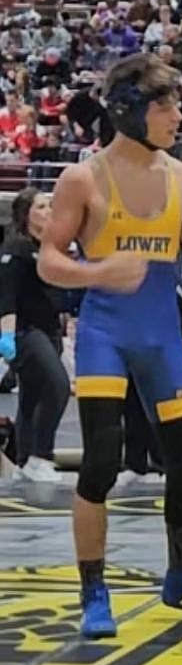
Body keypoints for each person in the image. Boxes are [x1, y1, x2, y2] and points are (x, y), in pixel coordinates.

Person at [38, 54, 182, 639]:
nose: (179, 116)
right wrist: (96, 274)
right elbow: (51, 260)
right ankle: (93, 591)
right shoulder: (82, 179)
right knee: (102, 461)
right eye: (166, 106)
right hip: (106, 333)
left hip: (160, 336)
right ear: (129, 111)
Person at [0, 188, 71, 483]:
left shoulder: (53, 249)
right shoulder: (16, 249)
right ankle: (42, 454)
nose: (49, 210)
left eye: (51, 205)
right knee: (58, 386)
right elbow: (7, 295)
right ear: (26, 214)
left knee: (31, 397)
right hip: (25, 331)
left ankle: (23, 461)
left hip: (50, 329)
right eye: (42, 206)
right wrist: (7, 335)